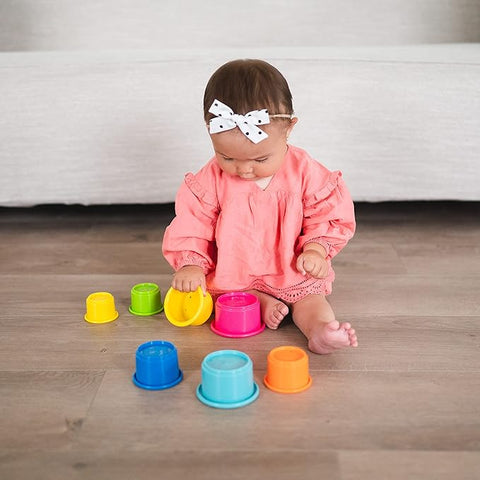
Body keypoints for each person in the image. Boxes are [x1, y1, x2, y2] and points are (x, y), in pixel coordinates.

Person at [162, 59, 358, 354]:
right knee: (221, 297)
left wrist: (317, 248)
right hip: (236, 270)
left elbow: (327, 212)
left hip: (289, 268)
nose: (243, 170)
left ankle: (320, 331)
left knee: (311, 300)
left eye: (260, 159)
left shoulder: (305, 171)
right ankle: (257, 300)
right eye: (227, 157)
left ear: (289, 129)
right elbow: (193, 222)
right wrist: (191, 264)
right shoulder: (210, 179)